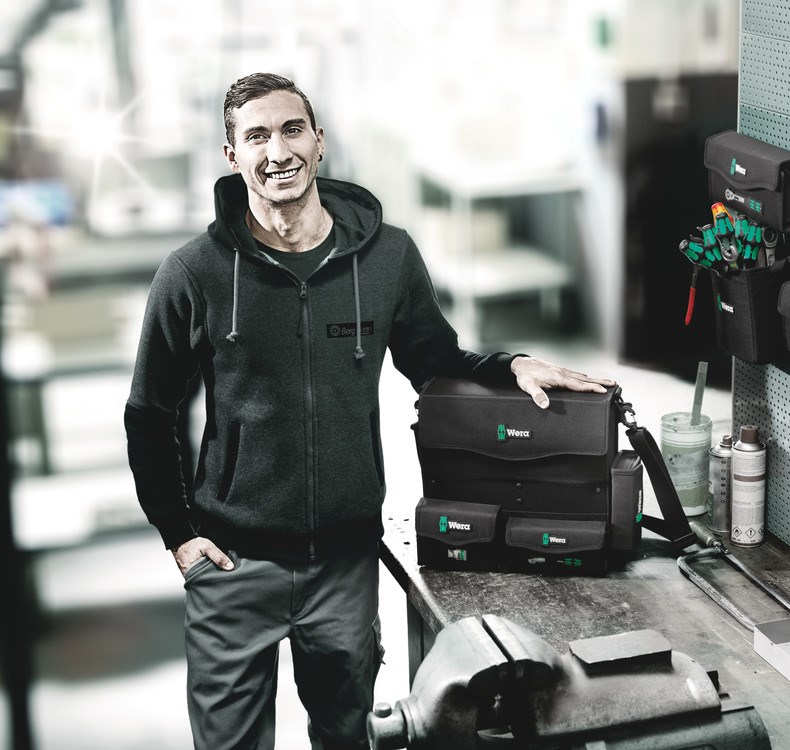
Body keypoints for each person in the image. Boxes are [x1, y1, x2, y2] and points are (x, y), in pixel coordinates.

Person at [124, 72, 614, 750]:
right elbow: (149, 413)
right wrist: (178, 535)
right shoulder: (194, 273)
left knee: (349, 737)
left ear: (319, 141)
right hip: (233, 564)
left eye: (292, 129)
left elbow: (434, 360)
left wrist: (511, 365)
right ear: (232, 156)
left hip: (344, 564)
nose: (278, 151)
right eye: (257, 136)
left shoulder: (387, 258)